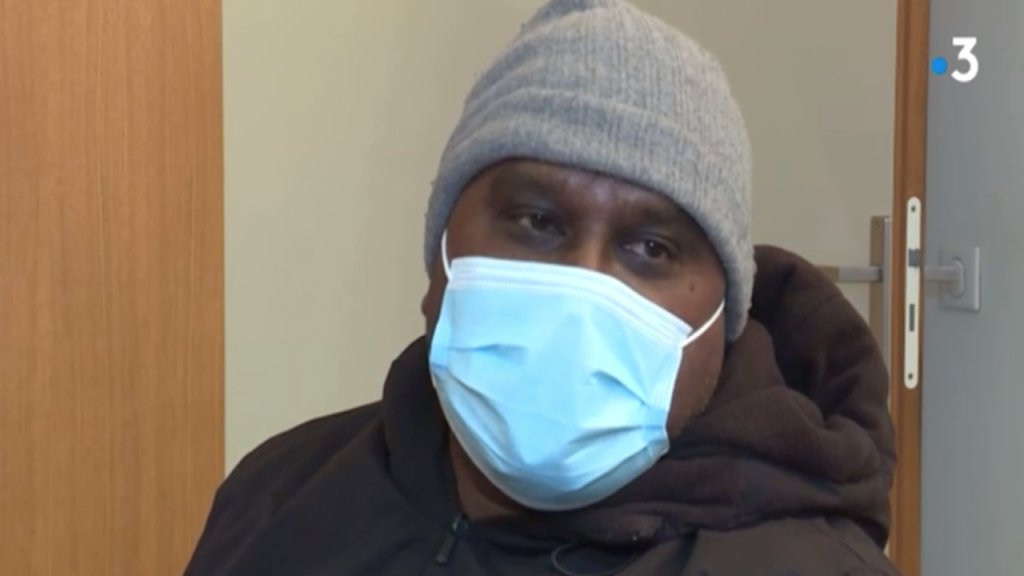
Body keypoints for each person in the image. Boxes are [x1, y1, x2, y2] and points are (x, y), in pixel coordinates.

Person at [185, 1, 898, 574]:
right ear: (441, 254)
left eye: (651, 248)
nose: (580, 290)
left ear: (723, 317)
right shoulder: (276, 500)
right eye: (535, 221)